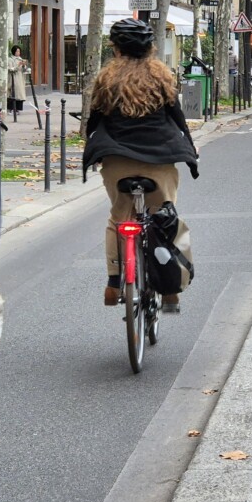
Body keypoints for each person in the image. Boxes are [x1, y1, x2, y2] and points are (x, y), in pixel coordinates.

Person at [84, 18, 198, 313]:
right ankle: (171, 290)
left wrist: (91, 149)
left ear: (116, 49)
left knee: (118, 220)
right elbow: (177, 118)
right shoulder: (162, 77)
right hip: (159, 162)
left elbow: (94, 122)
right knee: (164, 218)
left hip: (116, 162)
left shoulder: (106, 79)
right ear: (150, 49)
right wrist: (190, 149)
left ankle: (112, 283)